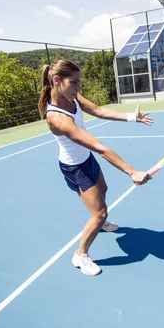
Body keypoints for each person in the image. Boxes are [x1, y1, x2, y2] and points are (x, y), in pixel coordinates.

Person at [38, 59, 153, 276]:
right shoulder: (57, 118)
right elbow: (100, 147)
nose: (78, 88)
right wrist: (132, 171)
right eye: (74, 82)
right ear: (57, 80)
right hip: (75, 167)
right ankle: (80, 255)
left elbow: (98, 110)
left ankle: (100, 223)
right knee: (99, 213)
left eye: (78, 82)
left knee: (104, 189)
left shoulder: (71, 96)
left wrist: (131, 117)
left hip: (86, 159)